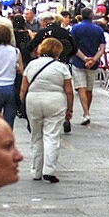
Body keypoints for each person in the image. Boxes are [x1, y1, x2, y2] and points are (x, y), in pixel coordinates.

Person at [19, 38, 75, 183]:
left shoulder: (32, 65)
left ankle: (36, 170)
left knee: (36, 136)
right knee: (51, 136)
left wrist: (23, 104)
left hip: (33, 99)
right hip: (55, 101)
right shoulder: (61, 67)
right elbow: (69, 91)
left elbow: (23, 88)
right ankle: (48, 170)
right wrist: (70, 109)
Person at [66, 8, 105, 125]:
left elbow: (73, 46)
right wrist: (93, 59)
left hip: (79, 61)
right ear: (92, 16)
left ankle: (86, 113)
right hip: (93, 64)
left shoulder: (76, 28)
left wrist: (84, 58)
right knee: (89, 89)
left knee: (81, 88)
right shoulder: (98, 29)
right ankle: (86, 112)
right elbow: (102, 48)